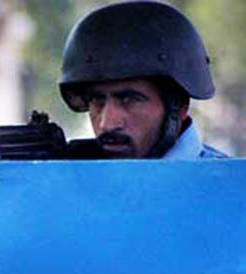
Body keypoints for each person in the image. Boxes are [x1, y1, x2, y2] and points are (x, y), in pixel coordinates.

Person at [59, 0, 226, 159]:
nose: (107, 124)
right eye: (97, 100)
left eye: (128, 99)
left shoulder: (231, 184)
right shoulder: (77, 178)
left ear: (179, 106)